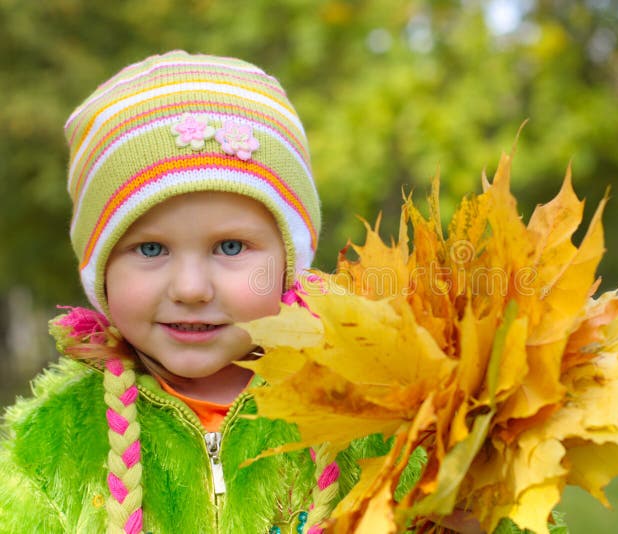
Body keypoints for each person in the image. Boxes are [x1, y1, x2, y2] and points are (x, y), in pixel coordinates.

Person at [0, 50, 402, 534]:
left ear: (289, 263)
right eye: (150, 249)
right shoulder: (50, 444)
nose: (191, 288)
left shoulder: (370, 413)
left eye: (230, 246)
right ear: (99, 270)